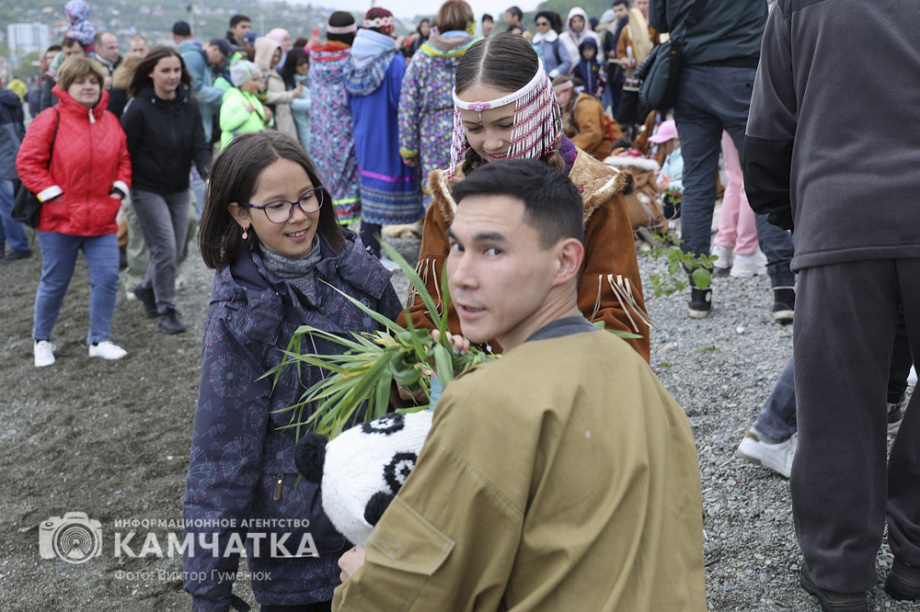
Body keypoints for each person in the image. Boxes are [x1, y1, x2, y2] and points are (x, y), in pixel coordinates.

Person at [333, 159, 706, 610]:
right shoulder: (641, 380)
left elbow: (415, 590)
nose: (462, 277)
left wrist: (360, 579)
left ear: (566, 260)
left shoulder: (487, 400)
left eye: (492, 251)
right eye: (457, 248)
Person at [743, 2, 920, 609]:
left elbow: (768, 128)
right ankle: (917, 556)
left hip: (838, 208)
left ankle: (841, 576)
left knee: (839, 404)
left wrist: (796, 213)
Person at [184, 130, 402, 612]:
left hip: (387, 520)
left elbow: (407, 377)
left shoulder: (359, 271)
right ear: (240, 213)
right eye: (277, 205)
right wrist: (209, 591)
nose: (300, 215)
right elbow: (222, 458)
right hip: (299, 550)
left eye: (307, 197)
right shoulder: (241, 313)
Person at [400, 32, 651, 361]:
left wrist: (530, 374)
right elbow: (425, 312)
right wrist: (432, 358)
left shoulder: (594, 194)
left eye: (506, 125)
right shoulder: (449, 198)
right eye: (475, 129)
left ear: (540, 107)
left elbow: (618, 326)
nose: (490, 144)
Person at [650, 0, 795, 320]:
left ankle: (699, 291)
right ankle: (783, 289)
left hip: (689, 76)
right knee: (761, 175)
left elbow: (658, 23)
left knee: (698, 184)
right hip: (743, 73)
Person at [16, 56, 131, 367]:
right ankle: (41, 340)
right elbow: (28, 163)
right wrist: (56, 199)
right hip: (59, 221)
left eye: (93, 80)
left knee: (107, 278)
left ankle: (99, 339)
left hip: (102, 220)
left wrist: (118, 192)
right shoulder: (49, 118)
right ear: (66, 85)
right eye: (80, 81)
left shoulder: (110, 121)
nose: (88, 86)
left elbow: (123, 159)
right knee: (54, 282)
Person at [120, 46, 211, 335]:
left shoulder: (189, 104)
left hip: (178, 187)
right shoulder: (139, 108)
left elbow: (200, 145)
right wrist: (122, 187)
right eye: (166, 71)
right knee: (165, 249)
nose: (173, 76)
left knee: (182, 239)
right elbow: (125, 151)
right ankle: (166, 310)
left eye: (176, 71)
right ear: (151, 72)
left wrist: (209, 174)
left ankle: (146, 287)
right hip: (146, 189)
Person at [344, 7, 423, 262]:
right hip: (389, 137)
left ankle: (370, 250)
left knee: (370, 193)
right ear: (388, 29)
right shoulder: (394, 61)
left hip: (364, 136)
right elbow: (402, 103)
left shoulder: (352, 61)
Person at [398, 0, 477, 211]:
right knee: (473, 188)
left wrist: (408, 148)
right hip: (472, 130)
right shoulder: (479, 51)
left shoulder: (422, 56)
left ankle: (438, 241)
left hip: (431, 135)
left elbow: (408, 105)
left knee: (436, 194)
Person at [309, 11, 362, 225]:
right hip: (344, 134)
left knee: (323, 183)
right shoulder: (352, 60)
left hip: (319, 137)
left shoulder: (314, 57)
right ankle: (343, 235)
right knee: (346, 185)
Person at [711, 131, 770, 281]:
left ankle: (724, 246)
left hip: (725, 110)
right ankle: (746, 252)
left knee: (734, 178)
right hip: (748, 112)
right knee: (752, 179)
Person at [553, 76, 617, 161]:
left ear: (569, 90)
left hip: (606, 151)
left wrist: (566, 148)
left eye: (558, 95)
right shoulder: (568, 107)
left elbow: (592, 134)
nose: (557, 100)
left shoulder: (585, 105)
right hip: (593, 151)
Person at [0, 74, 29, 262]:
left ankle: (19, 245)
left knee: (6, 205)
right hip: (14, 155)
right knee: (8, 204)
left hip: (3, 158)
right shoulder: (11, 99)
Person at [254, 36, 304, 141]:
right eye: (272, 56)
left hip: (283, 120)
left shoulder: (272, 71)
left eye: (278, 56)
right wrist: (290, 95)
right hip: (273, 123)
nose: (276, 59)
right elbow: (264, 96)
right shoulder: (257, 74)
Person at [219, 60, 271, 150]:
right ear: (242, 81)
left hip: (253, 149)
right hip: (237, 152)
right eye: (254, 80)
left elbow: (261, 124)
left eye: (259, 80)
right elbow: (225, 125)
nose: (258, 84)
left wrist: (269, 119)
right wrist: (246, 112)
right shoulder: (232, 99)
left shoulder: (252, 98)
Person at [279, 48, 312, 153]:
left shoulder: (309, 79)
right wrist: (317, 103)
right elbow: (292, 103)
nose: (305, 66)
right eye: (300, 64)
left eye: (306, 63)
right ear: (293, 65)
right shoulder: (289, 82)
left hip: (313, 126)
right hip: (301, 128)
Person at [559, 7, 599, 77]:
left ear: (584, 21)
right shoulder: (562, 38)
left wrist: (595, 69)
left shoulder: (593, 36)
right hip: (570, 75)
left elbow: (599, 55)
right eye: (574, 21)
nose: (577, 24)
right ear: (570, 22)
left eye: (580, 21)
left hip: (590, 74)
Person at [531, 11, 571, 80]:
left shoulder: (557, 41)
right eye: (538, 24)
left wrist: (554, 73)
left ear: (550, 24)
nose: (540, 26)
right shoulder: (532, 43)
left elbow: (567, 62)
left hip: (555, 82)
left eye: (544, 24)